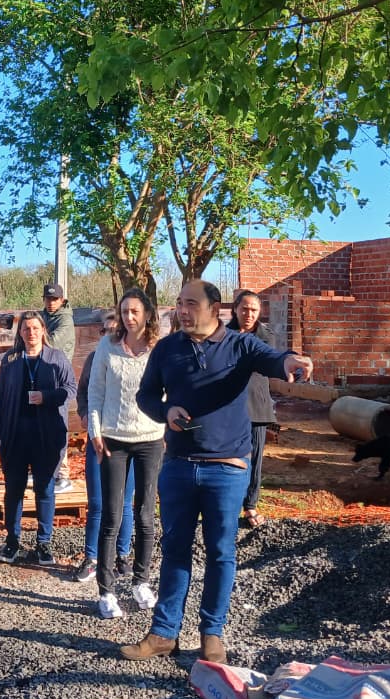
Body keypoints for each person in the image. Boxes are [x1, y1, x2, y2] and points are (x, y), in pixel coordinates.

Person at [122, 280, 313, 665]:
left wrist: (292, 361)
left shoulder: (240, 345)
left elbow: (273, 359)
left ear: (215, 308)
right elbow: (145, 396)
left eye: (191, 303)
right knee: (174, 550)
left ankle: (212, 635)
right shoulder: (168, 349)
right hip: (177, 466)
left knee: (221, 553)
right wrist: (165, 413)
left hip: (226, 469)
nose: (182, 310)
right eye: (179, 303)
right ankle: (163, 634)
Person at [88, 289, 163, 619]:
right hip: (114, 438)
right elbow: (95, 391)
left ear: (146, 313)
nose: (129, 318)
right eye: (124, 312)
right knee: (112, 516)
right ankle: (106, 591)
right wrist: (95, 430)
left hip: (151, 438)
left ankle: (141, 582)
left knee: (146, 514)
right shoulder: (108, 345)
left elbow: (170, 389)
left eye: (135, 311)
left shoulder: (159, 349)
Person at [0, 311, 77, 567]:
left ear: (43, 331)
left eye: (35, 328)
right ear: (21, 333)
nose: (31, 333)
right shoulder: (11, 359)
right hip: (15, 433)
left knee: (45, 488)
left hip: (46, 435)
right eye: (26, 329)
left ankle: (44, 543)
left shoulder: (56, 357)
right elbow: (0, 397)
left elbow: (70, 388)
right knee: (13, 489)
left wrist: (47, 397)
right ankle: (13, 540)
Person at [72, 310, 134, 590]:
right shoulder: (94, 358)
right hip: (99, 438)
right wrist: (86, 416)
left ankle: (122, 556)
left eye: (115, 328)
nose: (110, 333)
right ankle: (92, 558)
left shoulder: (134, 360)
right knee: (97, 503)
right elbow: (82, 393)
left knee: (125, 503)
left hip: (129, 441)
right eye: (105, 329)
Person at [228, 290, 278, 529]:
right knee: (226, 458)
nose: (248, 314)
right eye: (244, 308)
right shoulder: (220, 334)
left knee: (255, 458)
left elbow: (259, 361)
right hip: (226, 407)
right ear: (235, 309)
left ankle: (250, 505)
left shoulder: (266, 337)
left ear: (260, 312)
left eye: (254, 310)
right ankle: (227, 505)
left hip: (257, 406)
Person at [40, 283, 76, 494]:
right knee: (41, 427)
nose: (51, 303)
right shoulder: (43, 316)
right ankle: (45, 471)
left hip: (58, 380)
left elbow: (50, 343)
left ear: (62, 300)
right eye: (48, 299)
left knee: (58, 427)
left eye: (55, 299)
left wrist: (33, 332)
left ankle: (63, 476)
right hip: (43, 377)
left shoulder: (65, 320)